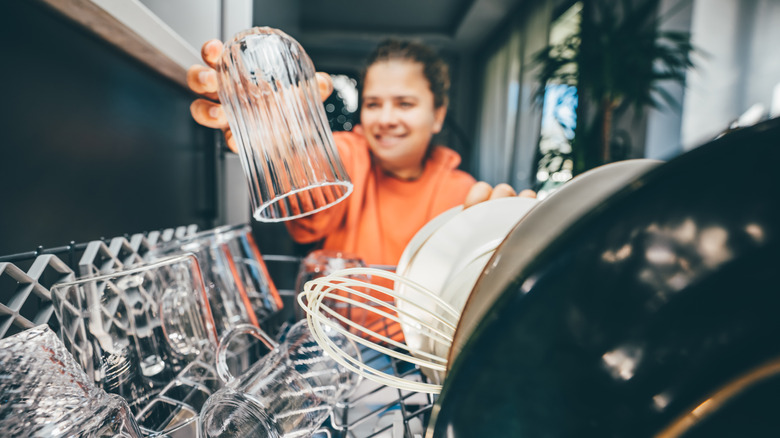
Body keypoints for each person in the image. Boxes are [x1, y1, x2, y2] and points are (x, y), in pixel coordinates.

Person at [188, 36, 534, 267]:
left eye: (404, 103)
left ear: (438, 115)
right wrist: (283, 142)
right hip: (338, 346)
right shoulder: (348, 155)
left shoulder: (462, 192)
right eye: (373, 104)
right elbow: (308, 201)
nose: (384, 119)